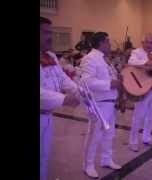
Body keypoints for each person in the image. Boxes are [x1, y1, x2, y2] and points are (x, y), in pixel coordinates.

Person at [40, 16, 80, 180]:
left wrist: (79, 91)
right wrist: (62, 99)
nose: (50, 36)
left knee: (44, 157)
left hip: (47, 117)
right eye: (45, 32)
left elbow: (61, 78)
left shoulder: (50, 56)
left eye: (51, 32)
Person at [80, 32, 122, 178]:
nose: (110, 45)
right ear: (101, 43)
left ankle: (106, 159)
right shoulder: (90, 59)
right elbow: (86, 82)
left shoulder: (105, 59)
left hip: (110, 102)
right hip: (98, 104)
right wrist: (109, 84)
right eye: (108, 42)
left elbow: (112, 77)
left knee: (109, 133)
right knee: (94, 135)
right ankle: (88, 165)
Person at [128, 33, 152, 152]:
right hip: (142, 88)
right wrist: (145, 63)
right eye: (147, 42)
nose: (149, 45)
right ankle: (133, 141)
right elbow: (131, 62)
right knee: (139, 115)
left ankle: (146, 137)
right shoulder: (136, 52)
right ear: (142, 43)